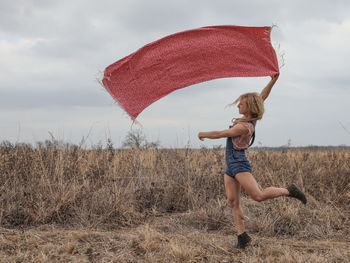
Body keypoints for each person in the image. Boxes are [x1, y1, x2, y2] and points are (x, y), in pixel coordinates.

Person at [197, 74, 306, 249]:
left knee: (258, 196)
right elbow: (262, 96)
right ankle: (242, 237)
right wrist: (272, 81)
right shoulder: (249, 118)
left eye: (242, 103)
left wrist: (203, 134)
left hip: (239, 164)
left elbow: (221, 134)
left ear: (249, 108)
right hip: (230, 167)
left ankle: (289, 190)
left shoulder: (244, 126)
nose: (238, 104)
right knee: (233, 202)